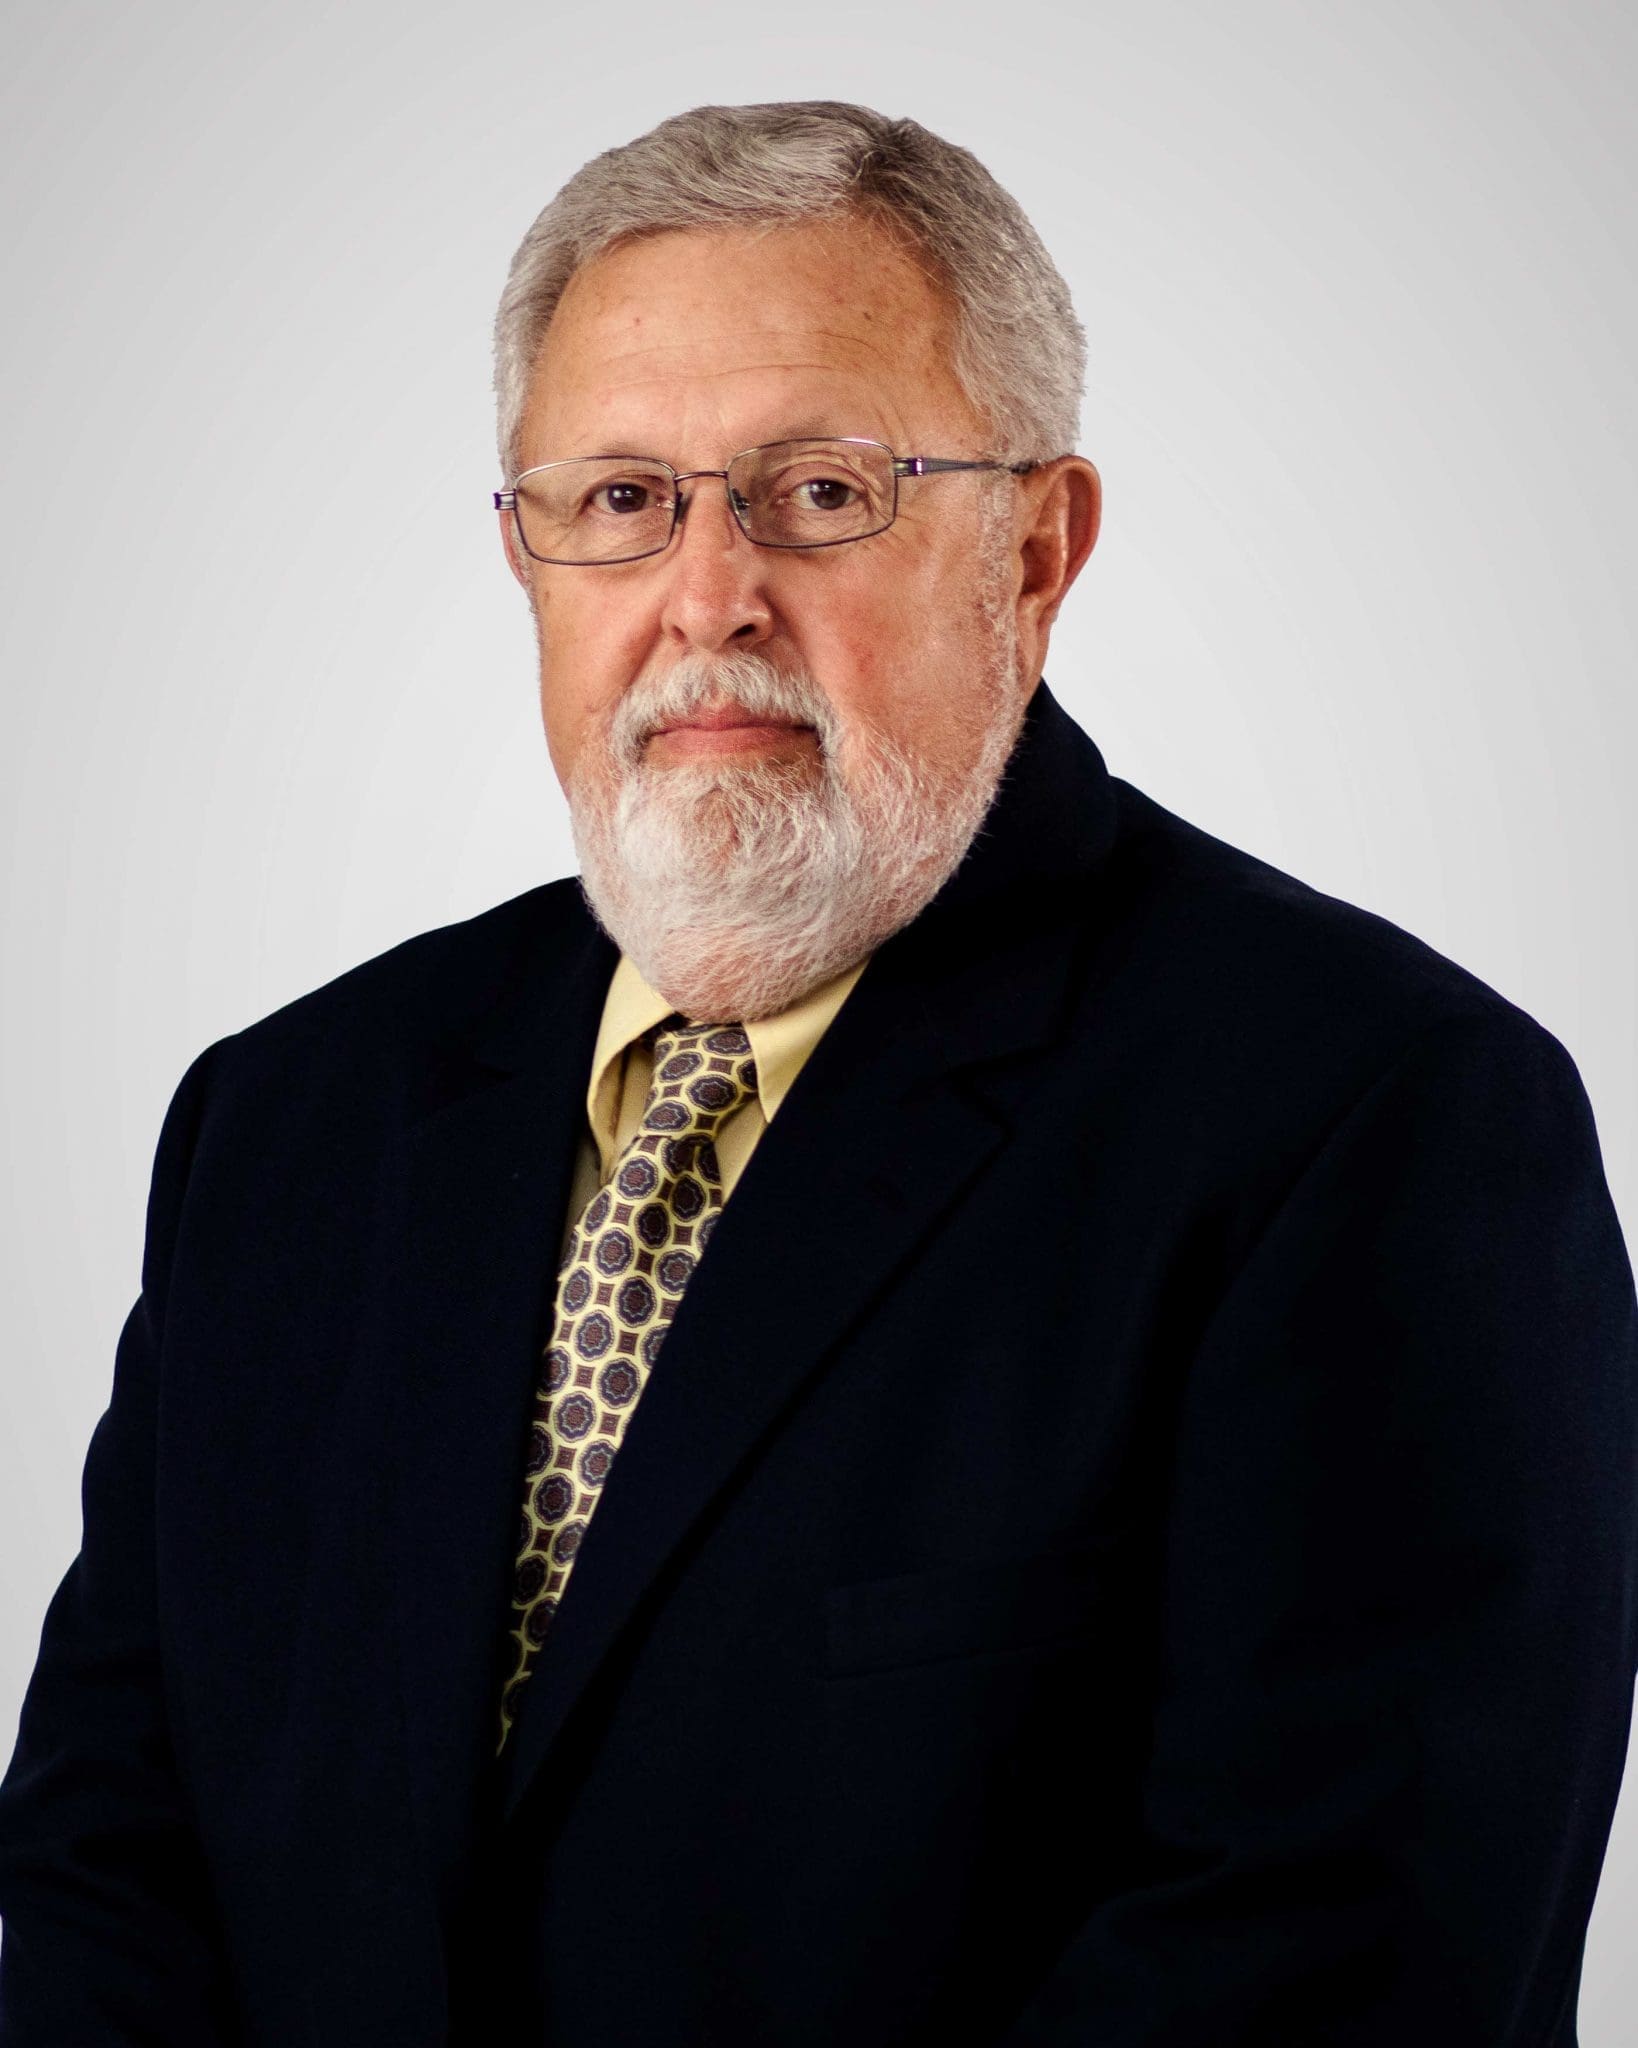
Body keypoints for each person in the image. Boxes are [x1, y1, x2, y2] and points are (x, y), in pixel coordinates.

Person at [0, 97, 1633, 2048]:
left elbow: (1327, 1975)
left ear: (1035, 551)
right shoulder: (286, 1126)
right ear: (527, 554)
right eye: (619, 499)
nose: (705, 598)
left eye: (822, 492)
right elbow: (111, 1872)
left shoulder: (1381, 1126)